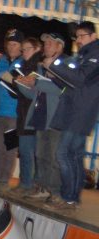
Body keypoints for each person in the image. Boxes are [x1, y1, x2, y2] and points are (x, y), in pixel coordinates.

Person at [44, 21, 99, 210]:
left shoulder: (95, 54)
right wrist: (55, 77)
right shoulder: (84, 55)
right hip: (76, 110)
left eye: (82, 36)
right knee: (74, 155)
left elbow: (80, 79)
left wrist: (56, 68)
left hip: (81, 112)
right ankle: (71, 199)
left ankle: (68, 197)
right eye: (77, 37)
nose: (78, 40)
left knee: (63, 153)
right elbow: (72, 85)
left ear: (93, 36)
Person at [16, 33, 69, 203]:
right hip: (40, 117)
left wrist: (36, 83)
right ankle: (43, 188)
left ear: (60, 47)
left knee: (54, 158)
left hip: (57, 118)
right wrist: (21, 84)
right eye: (45, 44)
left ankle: (57, 193)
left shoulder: (67, 64)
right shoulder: (41, 67)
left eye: (50, 44)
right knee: (41, 156)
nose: (46, 46)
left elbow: (61, 89)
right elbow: (35, 94)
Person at [0, 29, 24, 188]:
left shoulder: (24, 62)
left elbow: (20, 88)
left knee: (10, 149)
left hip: (14, 114)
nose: (11, 47)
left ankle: (4, 180)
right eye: (9, 44)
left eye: (15, 44)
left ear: (21, 46)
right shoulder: (0, 61)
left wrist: (9, 79)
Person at [10, 37, 42, 195]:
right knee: (25, 151)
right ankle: (25, 183)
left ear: (36, 49)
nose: (23, 52)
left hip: (33, 115)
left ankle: (30, 185)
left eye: (27, 49)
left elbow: (32, 93)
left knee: (31, 152)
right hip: (23, 114)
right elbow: (20, 94)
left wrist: (17, 82)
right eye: (22, 50)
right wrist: (13, 83)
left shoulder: (38, 66)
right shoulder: (23, 66)